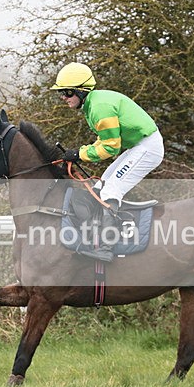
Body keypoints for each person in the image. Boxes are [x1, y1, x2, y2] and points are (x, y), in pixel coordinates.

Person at [51, 62, 164, 262]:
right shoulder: (92, 104)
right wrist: (80, 153)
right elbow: (104, 142)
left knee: (111, 191)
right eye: (62, 93)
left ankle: (106, 247)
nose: (63, 97)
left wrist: (79, 154)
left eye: (67, 93)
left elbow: (111, 147)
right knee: (102, 185)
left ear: (81, 91)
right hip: (139, 146)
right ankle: (99, 234)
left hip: (147, 147)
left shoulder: (99, 107)